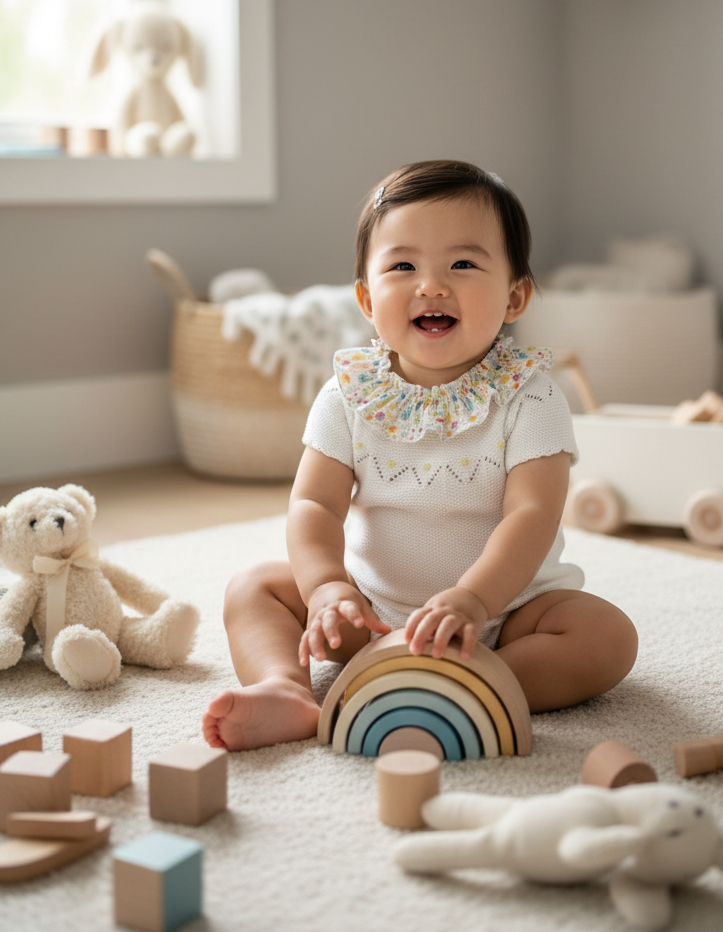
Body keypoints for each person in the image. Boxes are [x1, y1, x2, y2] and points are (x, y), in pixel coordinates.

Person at [203, 160, 638, 751]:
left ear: (515, 297)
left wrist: (475, 600)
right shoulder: (349, 393)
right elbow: (314, 504)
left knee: (606, 637)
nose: (431, 286)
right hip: (372, 615)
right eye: (403, 266)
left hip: (506, 619)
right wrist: (329, 587)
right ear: (365, 297)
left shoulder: (531, 395)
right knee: (254, 588)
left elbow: (531, 515)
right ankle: (287, 689)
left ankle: (474, 684)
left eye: (462, 263)